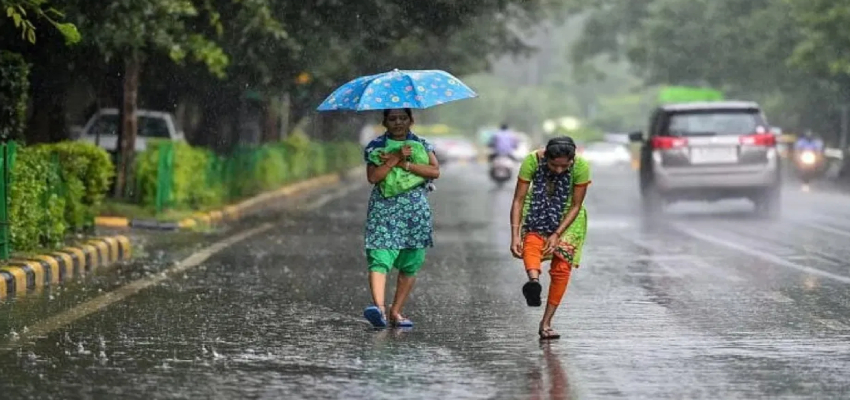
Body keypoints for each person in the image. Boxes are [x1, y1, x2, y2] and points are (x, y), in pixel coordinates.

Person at [362, 108, 441, 329]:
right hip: (383, 210)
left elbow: (435, 172)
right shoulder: (376, 146)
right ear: (385, 122)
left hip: (415, 212)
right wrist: (395, 157)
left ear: (411, 120)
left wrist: (404, 164)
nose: (398, 122)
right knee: (379, 255)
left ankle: (396, 311)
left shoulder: (422, 144)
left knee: (411, 261)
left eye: (403, 118)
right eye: (393, 118)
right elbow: (373, 177)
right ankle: (379, 309)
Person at [509, 137, 591, 340]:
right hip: (537, 208)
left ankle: (546, 323)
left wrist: (556, 234)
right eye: (554, 165)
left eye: (565, 166)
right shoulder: (531, 161)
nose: (559, 170)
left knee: (562, 267)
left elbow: (576, 205)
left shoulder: (581, 166)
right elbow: (518, 200)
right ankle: (534, 283)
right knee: (532, 242)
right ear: (546, 157)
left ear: (572, 160)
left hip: (569, 217)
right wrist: (515, 236)